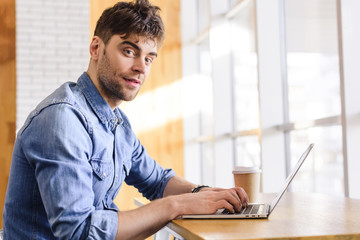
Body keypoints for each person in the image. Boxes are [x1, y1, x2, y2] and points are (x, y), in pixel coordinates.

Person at [3, 0, 248, 239]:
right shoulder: (62, 120)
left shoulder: (117, 124)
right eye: (129, 51)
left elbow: (158, 181)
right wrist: (179, 205)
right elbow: (78, 232)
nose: (141, 67)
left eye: (149, 58)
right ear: (96, 48)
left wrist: (204, 194)